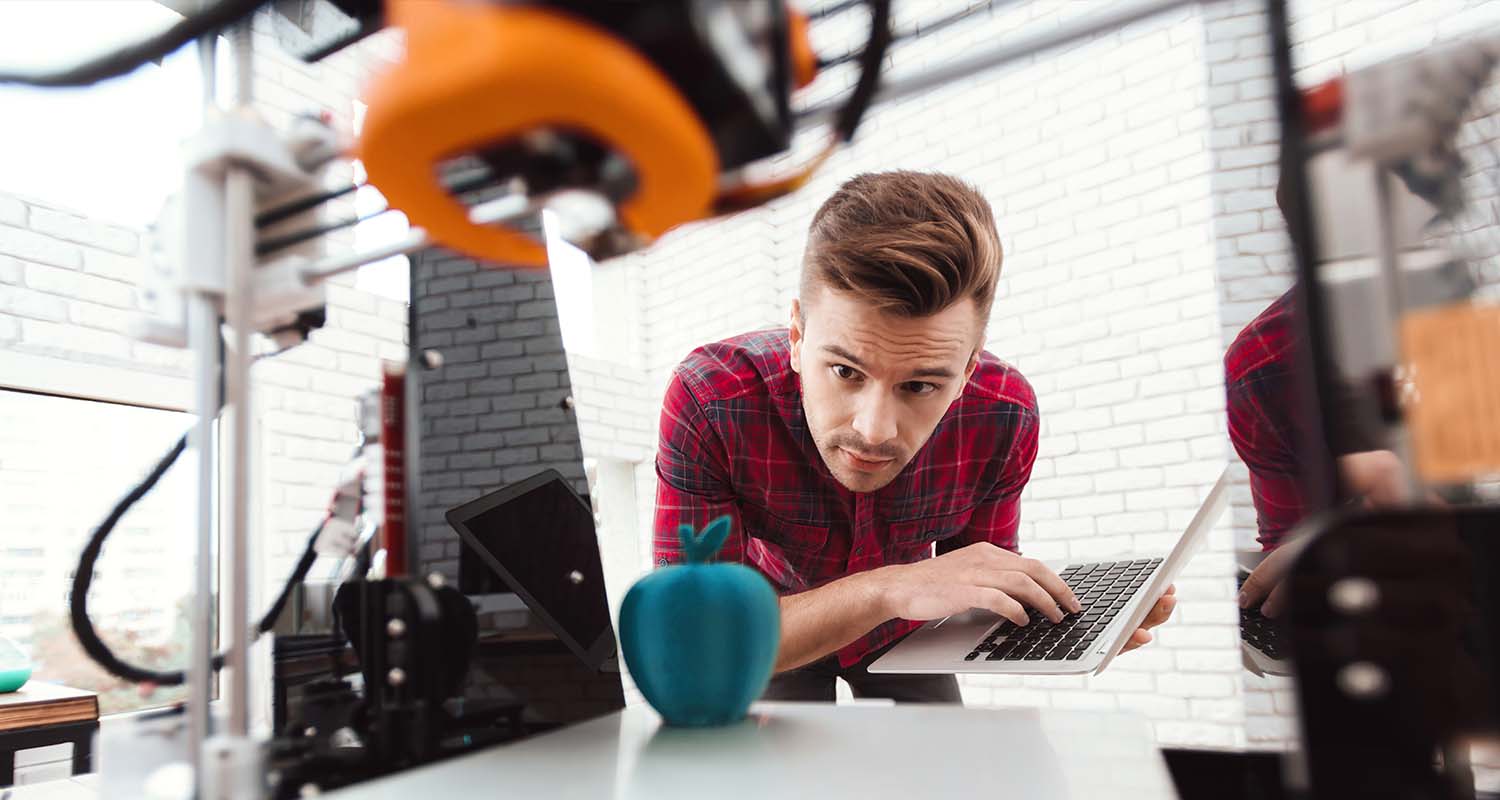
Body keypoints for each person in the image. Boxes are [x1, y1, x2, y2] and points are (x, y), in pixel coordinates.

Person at [652, 171, 1174, 703]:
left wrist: (1071, 628)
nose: (873, 430)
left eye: (920, 384)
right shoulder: (711, 401)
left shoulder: (1004, 415)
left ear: (969, 368)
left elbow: (977, 579)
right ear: (796, 336)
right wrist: (887, 587)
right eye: (845, 372)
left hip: (906, 636)